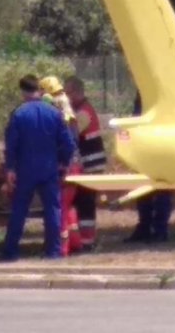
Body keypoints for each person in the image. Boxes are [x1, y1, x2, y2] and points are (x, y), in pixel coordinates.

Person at [1, 75, 78, 261]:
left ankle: (11, 251)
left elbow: (11, 145)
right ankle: (54, 251)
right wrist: (63, 163)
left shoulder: (18, 114)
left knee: (19, 209)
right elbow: (68, 143)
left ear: (23, 92)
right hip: (49, 168)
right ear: (40, 90)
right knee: (53, 209)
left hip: (25, 168)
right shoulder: (54, 113)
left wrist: (10, 168)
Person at [40, 75, 82, 256]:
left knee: (60, 207)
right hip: (75, 165)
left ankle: (61, 249)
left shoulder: (57, 116)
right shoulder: (68, 113)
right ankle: (75, 242)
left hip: (65, 166)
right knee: (68, 205)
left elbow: (61, 144)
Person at [64, 76, 107, 251]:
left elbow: (71, 134)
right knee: (81, 201)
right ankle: (82, 240)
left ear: (76, 92)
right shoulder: (80, 110)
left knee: (86, 202)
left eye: (68, 93)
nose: (66, 97)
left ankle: (87, 241)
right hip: (86, 164)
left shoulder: (84, 112)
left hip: (91, 164)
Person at [125, 91, 173, 243]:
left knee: (162, 188)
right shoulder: (141, 95)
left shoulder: (166, 96)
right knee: (142, 188)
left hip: (162, 147)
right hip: (143, 150)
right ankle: (144, 227)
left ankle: (160, 229)